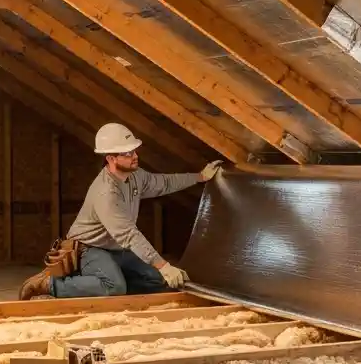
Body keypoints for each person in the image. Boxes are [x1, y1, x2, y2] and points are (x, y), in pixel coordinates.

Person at [19, 123, 222, 300]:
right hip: (89, 249)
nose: (135, 156)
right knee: (114, 287)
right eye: (127, 153)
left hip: (116, 249)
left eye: (134, 151)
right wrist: (163, 265)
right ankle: (48, 285)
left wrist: (200, 177)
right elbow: (127, 234)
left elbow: (164, 182)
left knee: (160, 282)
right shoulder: (105, 192)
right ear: (111, 158)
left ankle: (115, 283)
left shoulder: (135, 177)